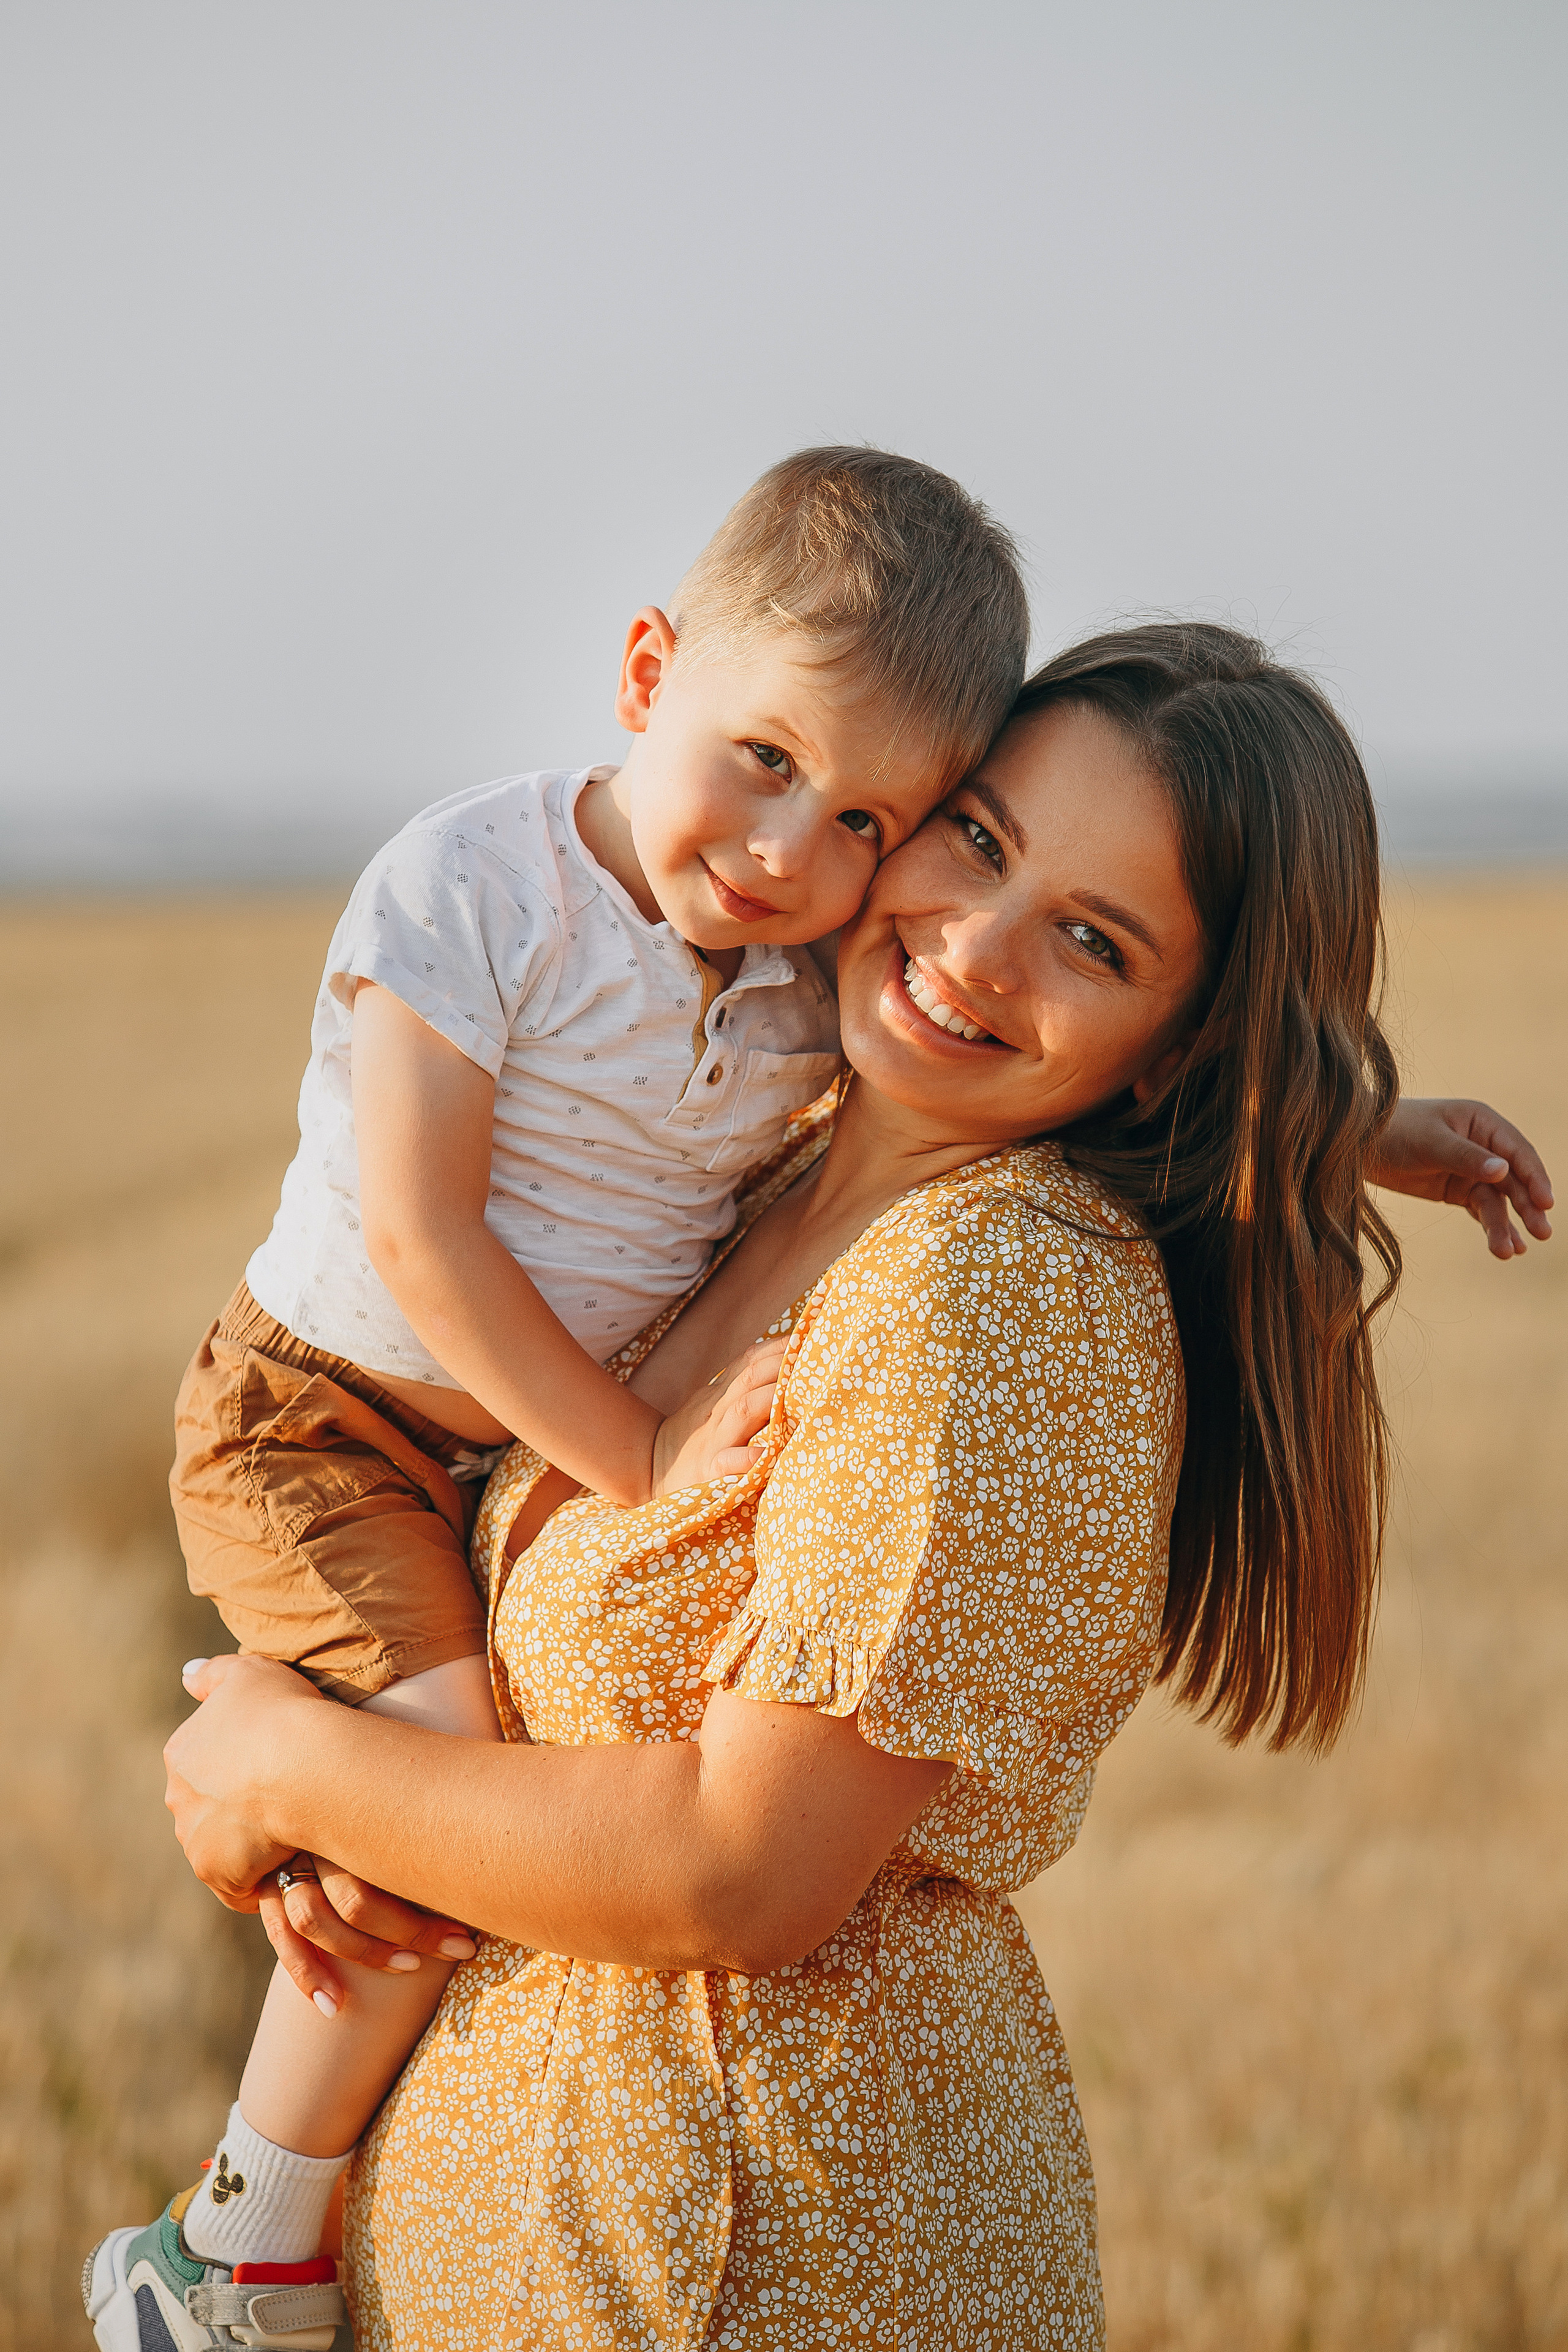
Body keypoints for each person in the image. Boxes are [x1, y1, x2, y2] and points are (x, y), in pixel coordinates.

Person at [132, 623, 1550, 2352]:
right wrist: (347, 1825)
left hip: (764, 2279)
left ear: (1177, 1045)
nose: (971, 945)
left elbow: (748, 1870)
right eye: (976, 838)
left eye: (1091, 940)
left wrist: (290, 1759)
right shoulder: (762, 1163)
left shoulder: (991, 1289)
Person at [133, 447, 1031, 2318]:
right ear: (646, 675)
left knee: (415, 1812)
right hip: (328, 1418)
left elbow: (1098, 1008)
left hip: (491, 1453)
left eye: (871, 822)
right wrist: (638, 1455)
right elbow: (420, 1241)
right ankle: (228, 2257)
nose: (795, 854)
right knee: (438, 1792)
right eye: (765, 760)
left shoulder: (799, 977)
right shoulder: (478, 881)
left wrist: (1371, 1126)